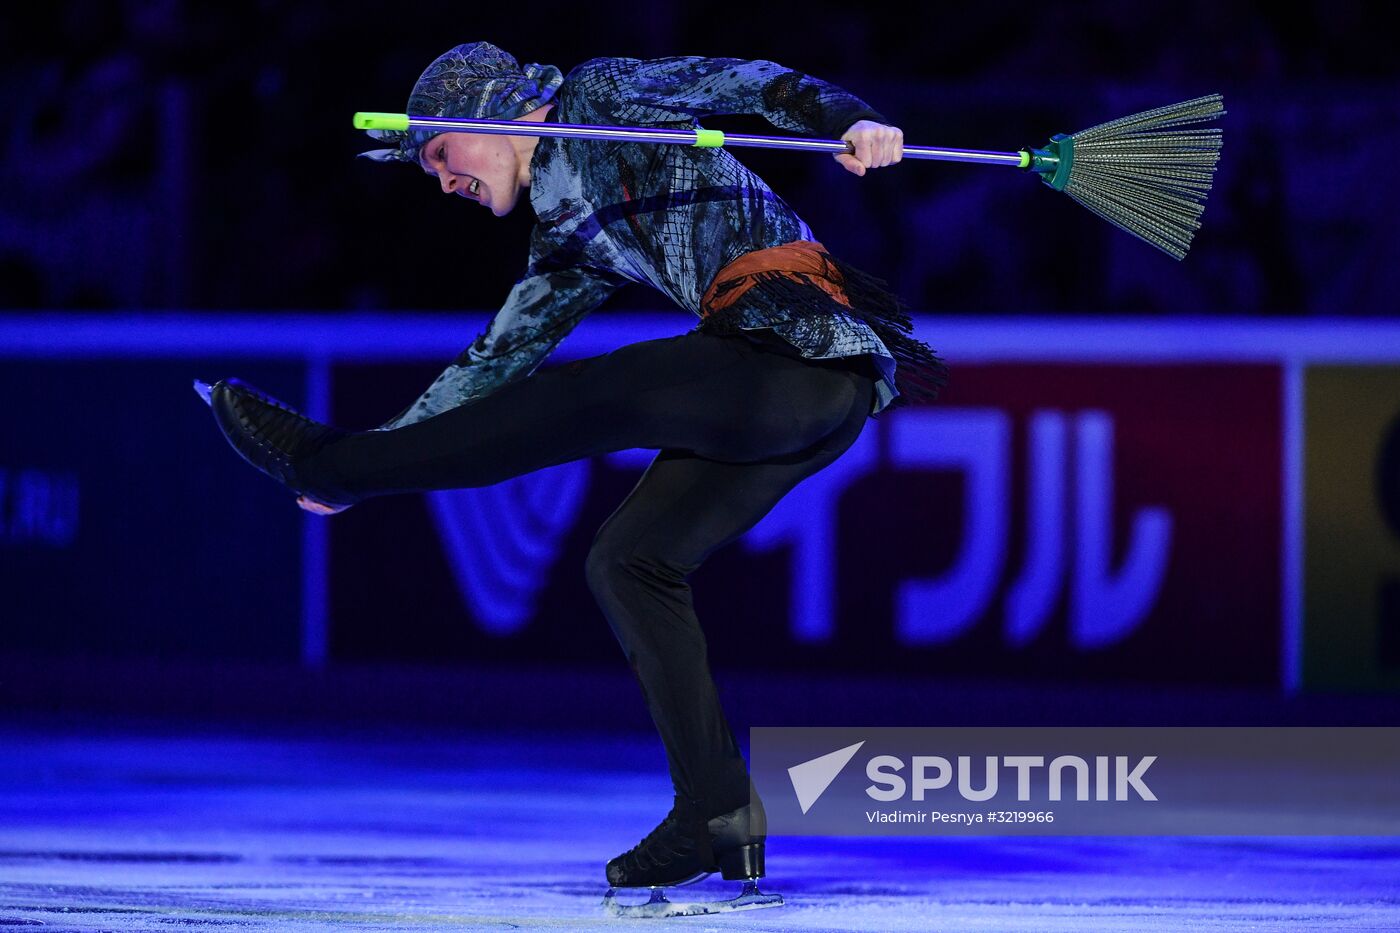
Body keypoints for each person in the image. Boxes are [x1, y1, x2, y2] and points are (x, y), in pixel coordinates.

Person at [199, 40, 948, 916]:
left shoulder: (601, 93)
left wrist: (845, 120)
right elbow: (491, 366)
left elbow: (746, 83)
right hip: (792, 390)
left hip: (796, 357)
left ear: (493, 110)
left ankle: (327, 458)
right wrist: (392, 441)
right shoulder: (566, 244)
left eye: (440, 154)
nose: (441, 183)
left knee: (596, 396)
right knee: (630, 560)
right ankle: (716, 806)